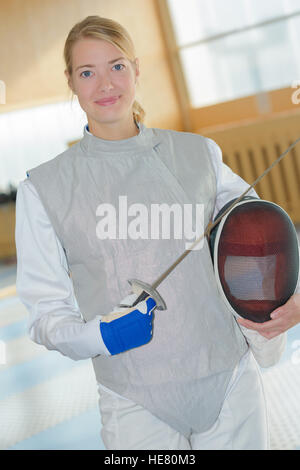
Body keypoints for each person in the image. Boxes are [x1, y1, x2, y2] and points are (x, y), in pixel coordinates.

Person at [15, 15, 299, 451]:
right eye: (87, 72)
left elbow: (262, 242)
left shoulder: (199, 154)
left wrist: (288, 303)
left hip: (228, 379)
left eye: (116, 66)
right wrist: (98, 336)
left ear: (136, 69)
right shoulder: (45, 188)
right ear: (71, 82)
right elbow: (43, 312)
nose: (105, 85)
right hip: (133, 397)